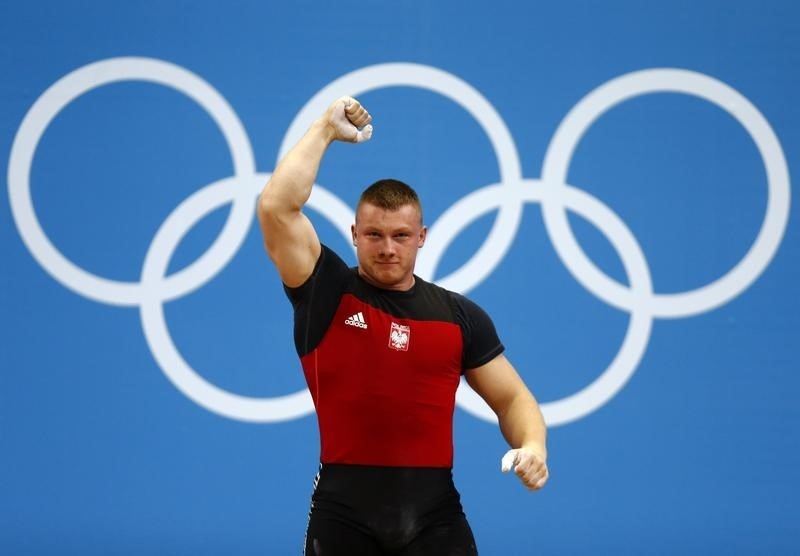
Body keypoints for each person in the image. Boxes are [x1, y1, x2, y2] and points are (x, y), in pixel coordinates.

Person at [257, 97, 549, 555]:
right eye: (374, 235)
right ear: (354, 234)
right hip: (343, 516)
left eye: (401, 236)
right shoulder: (325, 292)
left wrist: (533, 446)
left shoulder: (458, 316)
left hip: (435, 518)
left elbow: (513, 397)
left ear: (422, 238)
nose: (387, 248)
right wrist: (324, 130)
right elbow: (276, 209)